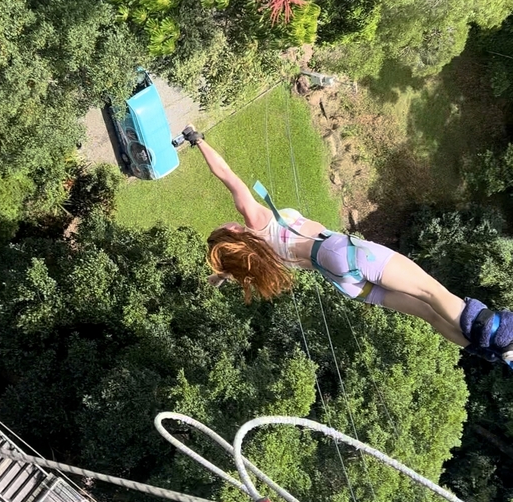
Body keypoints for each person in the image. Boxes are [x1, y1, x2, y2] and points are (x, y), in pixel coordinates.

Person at [180, 127, 513, 368]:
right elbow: (227, 175)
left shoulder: (257, 263)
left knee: (428, 313)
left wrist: (219, 274)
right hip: (342, 252)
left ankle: (487, 352)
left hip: (348, 284)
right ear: (232, 233)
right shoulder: (255, 221)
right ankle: (501, 336)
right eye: (225, 227)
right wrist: (199, 140)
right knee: (430, 291)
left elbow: (230, 269)